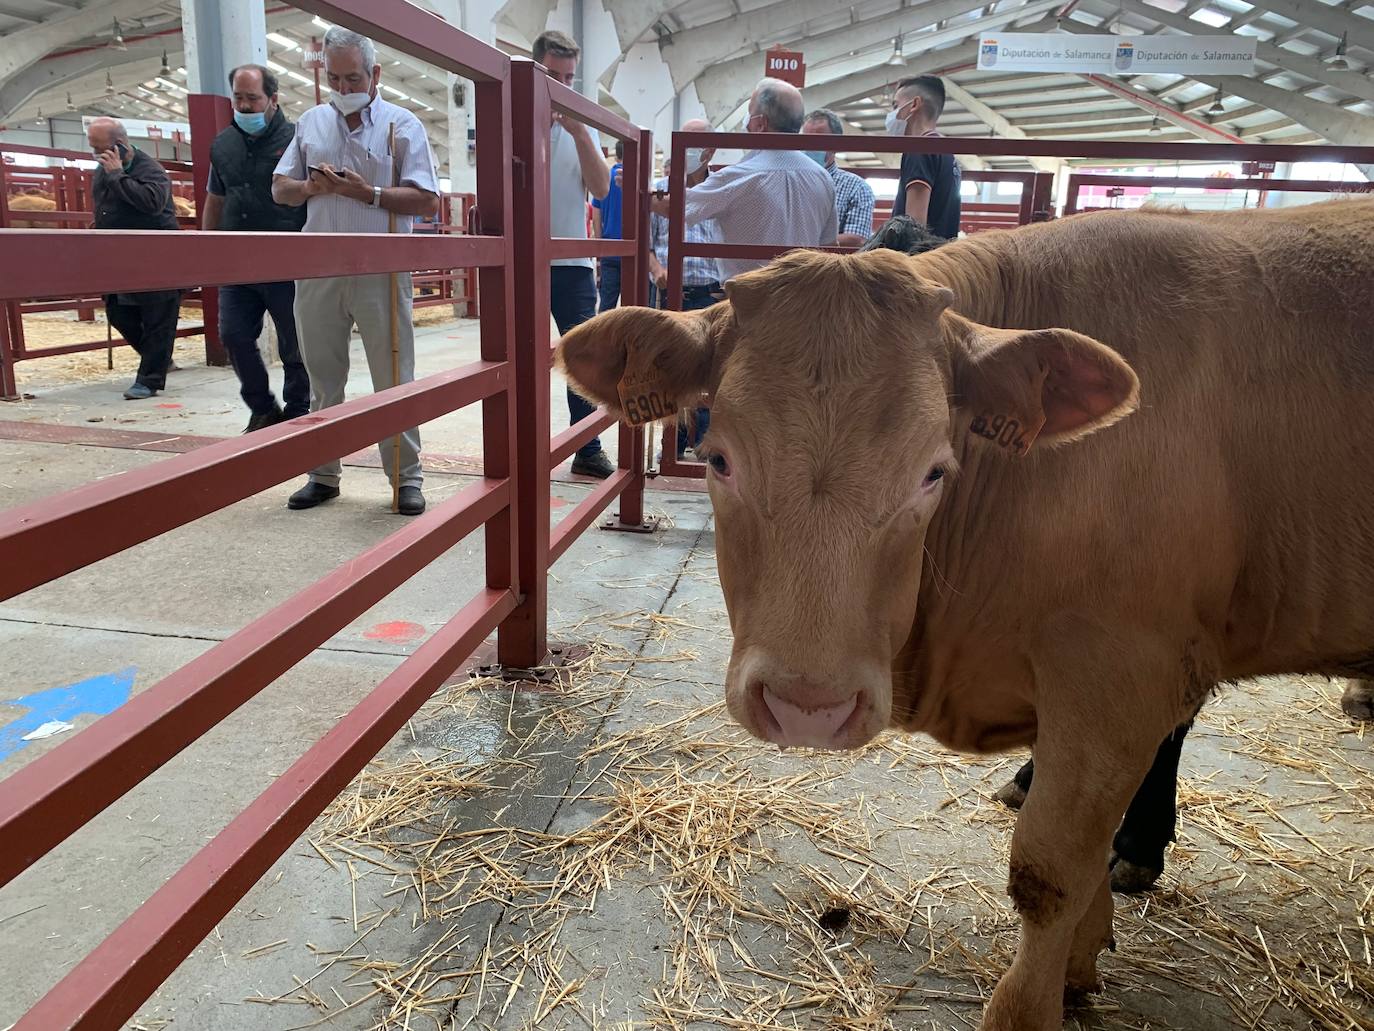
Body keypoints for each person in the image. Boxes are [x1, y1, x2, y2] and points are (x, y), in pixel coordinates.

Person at [272, 26, 439, 516]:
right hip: (319, 265)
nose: (344, 90)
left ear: (375, 74)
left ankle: (405, 478)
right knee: (322, 375)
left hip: (381, 267)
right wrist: (309, 189)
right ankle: (323, 473)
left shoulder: (401, 125)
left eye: (352, 79)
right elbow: (280, 187)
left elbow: (427, 199)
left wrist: (369, 193)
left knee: (393, 375)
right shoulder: (310, 123)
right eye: (335, 80)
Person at [202, 63, 309, 433]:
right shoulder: (223, 144)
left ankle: (299, 410)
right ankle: (262, 407)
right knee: (233, 334)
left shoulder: (297, 140)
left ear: (273, 100)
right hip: (237, 260)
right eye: (239, 99)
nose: (245, 107)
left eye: (253, 99)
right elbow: (215, 198)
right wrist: (207, 246)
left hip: (287, 259)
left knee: (294, 342)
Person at [650, 78, 836, 282]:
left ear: (760, 124)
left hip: (752, 302)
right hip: (803, 301)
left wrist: (639, 191)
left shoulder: (739, 177)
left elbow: (675, 207)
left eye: (749, 111)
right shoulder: (823, 178)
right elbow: (829, 246)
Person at [535, 29, 614, 479]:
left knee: (582, 356)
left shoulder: (578, 126)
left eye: (570, 78)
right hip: (525, 262)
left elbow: (601, 187)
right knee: (517, 357)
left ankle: (586, 446)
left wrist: (579, 130)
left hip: (572, 263)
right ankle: (519, 442)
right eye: (554, 76)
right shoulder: (512, 121)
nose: (563, 87)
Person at [87, 117, 181, 400]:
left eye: (100, 148)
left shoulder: (152, 171)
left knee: (158, 317)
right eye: (93, 149)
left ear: (120, 144)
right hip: (118, 257)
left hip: (157, 258)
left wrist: (117, 175)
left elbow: (151, 204)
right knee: (118, 312)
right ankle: (158, 358)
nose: (97, 155)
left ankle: (149, 379)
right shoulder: (102, 170)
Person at [647, 118, 722, 457]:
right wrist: (658, 269)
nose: (687, 151)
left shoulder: (723, 188)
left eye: (694, 144)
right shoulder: (659, 191)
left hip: (709, 294)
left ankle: (703, 446)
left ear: (709, 151)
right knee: (669, 371)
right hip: (671, 293)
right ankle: (671, 446)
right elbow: (646, 245)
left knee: (709, 373)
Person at [887, 76, 962, 240]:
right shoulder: (946, 152)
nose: (892, 114)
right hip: (942, 257)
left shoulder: (919, 150)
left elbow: (914, 226)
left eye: (895, 106)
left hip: (921, 261)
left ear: (914, 104)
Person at [800, 109, 876, 248]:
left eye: (819, 140)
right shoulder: (791, 181)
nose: (811, 146)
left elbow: (857, 239)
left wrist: (802, 242)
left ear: (837, 144)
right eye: (806, 139)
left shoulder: (856, 188)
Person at [591, 139, 623, 314]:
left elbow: (596, 215)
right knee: (633, 308)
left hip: (609, 251)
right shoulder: (635, 179)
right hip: (631, 253)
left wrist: (599, 246)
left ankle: (603, 341)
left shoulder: (605, 178)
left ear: (616, 154)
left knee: (606, 308)